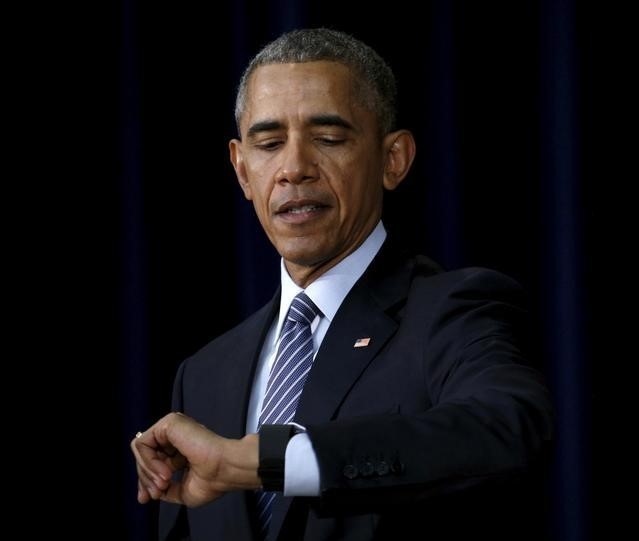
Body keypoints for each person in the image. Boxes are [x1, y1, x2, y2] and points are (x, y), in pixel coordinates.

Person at [131, 28, 554, 541]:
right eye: (268, 145)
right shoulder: (202, 374)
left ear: (393, 159)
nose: (294, 169)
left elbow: (504, 428)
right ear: (242, 171)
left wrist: (259, 461)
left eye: (328, 140)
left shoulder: (453, 311)